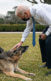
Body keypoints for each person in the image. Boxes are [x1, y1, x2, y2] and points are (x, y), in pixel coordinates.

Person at [12, 3, 51, 68]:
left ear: (25, 13)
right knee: (41, 39)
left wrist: (46, 34)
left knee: (48, 42)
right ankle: (47, 62)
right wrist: (21, 41)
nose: (23, 19)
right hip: (50, 24)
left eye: (22, 18)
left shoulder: (39, 11)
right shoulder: (30, 16)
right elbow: (28, 28)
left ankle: (50, 65)